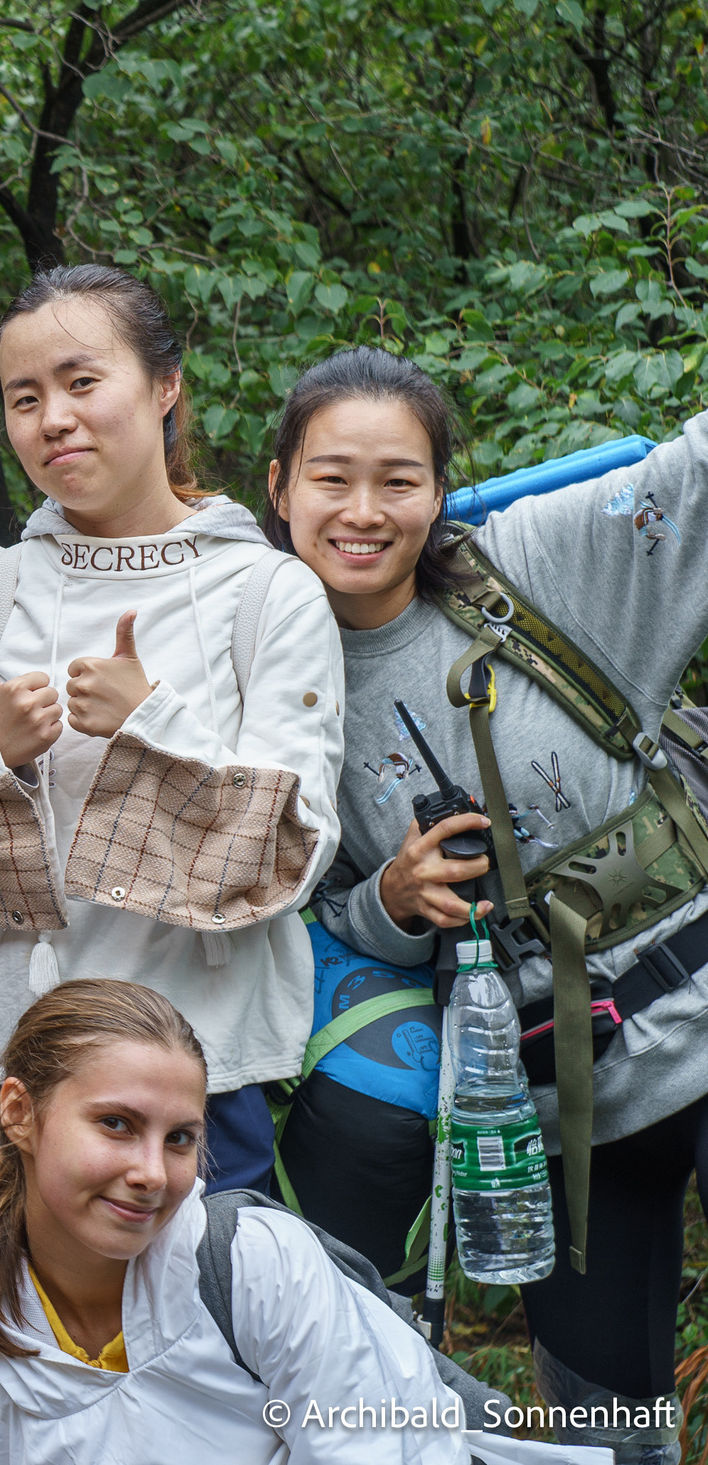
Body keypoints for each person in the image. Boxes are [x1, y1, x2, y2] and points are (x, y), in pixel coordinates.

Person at [268, 346, 708, 1464]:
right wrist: (391, 899)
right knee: (609, 1435)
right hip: (555, 1102)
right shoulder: (264, 676)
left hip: (700, 1004)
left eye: (397, 480)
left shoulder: (540, 562)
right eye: (330, 478)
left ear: (439, 489)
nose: (363, 513)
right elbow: (295, 918)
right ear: (278, 488)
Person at [0, 265, 344, 1197]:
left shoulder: (269, 591)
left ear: (166, 387)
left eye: (83, 382)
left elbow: (295, 846)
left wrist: (149, 722)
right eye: (25, 398)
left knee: (193, 1333)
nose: (54, 419)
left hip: (190, 1061)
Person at [0, 977, 605, 1465]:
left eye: (180, 1137)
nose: (152, 1171)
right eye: (115, 1123)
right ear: (19, 1111)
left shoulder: (253, 1266)